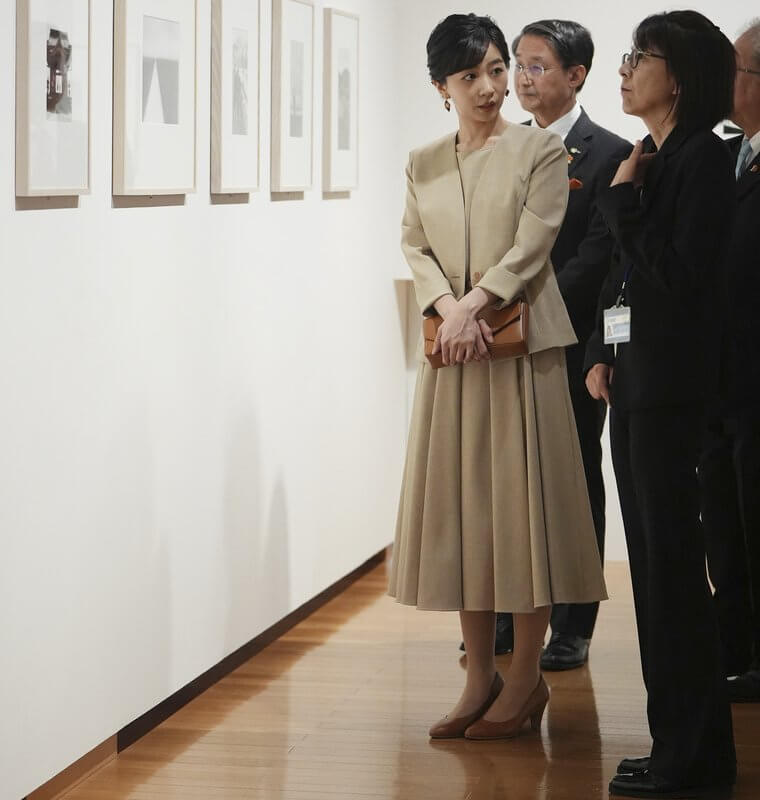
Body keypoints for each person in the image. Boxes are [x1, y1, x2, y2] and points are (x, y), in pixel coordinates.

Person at [388, 13, 606, 741]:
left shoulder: (539, 150)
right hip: (457, 356)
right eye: (470, 75)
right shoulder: (422, 161)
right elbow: (414, 242)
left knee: (519, 517)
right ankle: (479, 675)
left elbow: (536, 237)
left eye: (496, 69)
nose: (490, 86)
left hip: (521, 355)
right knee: (464, 517)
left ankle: (525, 679)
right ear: (439, 86)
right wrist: (450, 310)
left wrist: (477, 302)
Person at [583, 11, 738, 798]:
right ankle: (675, 741)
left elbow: (677, 280)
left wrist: (620, 206)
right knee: (653, 573)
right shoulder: (658, 155)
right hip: (641, 383)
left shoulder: (707, 156)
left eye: (639, 57)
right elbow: (632, 280)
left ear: (676, 73)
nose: (625, 68)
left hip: (674, 394)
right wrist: (609, 352)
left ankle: (695, 757)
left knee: (674, 576)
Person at [486, 19, 631, 670]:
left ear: (576, 76)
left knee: (570, 481)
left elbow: (599, 260)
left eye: (537, 65)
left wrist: (514, 303)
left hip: (569, 342)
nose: (521, 78)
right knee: (506, 482)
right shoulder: (500, 145)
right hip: (500, 342)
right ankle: (505, 619)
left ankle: (574, 624)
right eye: (517, 64)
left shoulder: (610, 153)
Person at [699, 18, 760, 703]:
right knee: (724, 517)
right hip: (719, 383)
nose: (725, 82)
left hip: (753, 378)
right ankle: (736, 639)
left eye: (737, 71)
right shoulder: (727, 152)